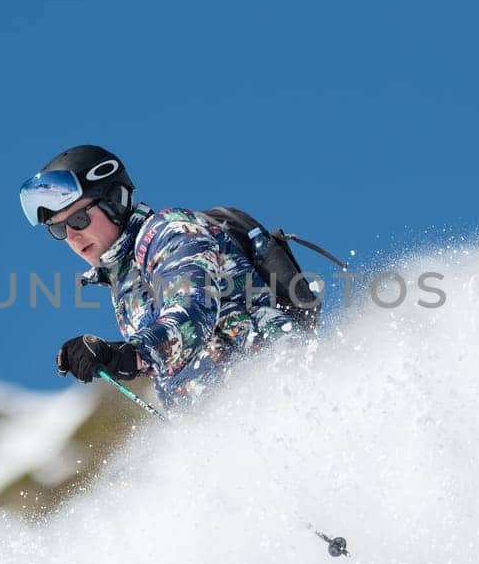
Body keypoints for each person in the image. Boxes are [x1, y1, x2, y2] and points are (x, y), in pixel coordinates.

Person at [18, 144, 295, 406]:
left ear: (113, 201)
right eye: (58, 229)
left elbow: (192, 310)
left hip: (277, 384)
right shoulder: (125, 284)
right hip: (230, 417)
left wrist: (125, 355)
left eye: (79, 219)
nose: (72, 236)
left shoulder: (170, 231)